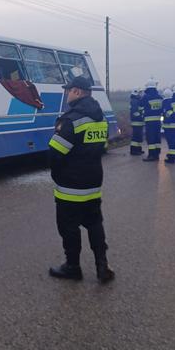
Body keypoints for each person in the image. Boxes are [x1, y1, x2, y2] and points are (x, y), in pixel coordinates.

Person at [48, 76, 114, 283]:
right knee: (94, 223)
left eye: (69, 90)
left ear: (77, 91)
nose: (67, 94)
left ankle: (72, 267)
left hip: (70, 185)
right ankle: (102, 266)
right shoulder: (100, 117)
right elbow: (102, 148)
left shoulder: (70, 120)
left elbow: (56, 154)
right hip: (93, 182)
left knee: (68, 227)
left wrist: (57, 174)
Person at [140, 80, 163, 162]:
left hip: (149, 121)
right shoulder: (160, 97)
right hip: (158, 120)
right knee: (157, 137)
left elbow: (140, 106)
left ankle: (151, 155)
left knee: (150, 138)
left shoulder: (146, 97)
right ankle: (157, 154)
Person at [129, 89, 144, 155]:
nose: (140, 94)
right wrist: (141, 117)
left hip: (138, 122)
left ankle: (138, 149)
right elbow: (135, 112)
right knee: (136, 137)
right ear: (136, 93)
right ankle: (134, 151)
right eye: (139, 92)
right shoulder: (135, 101)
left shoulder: (137, 100)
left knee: (139, 136)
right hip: (136, 122)